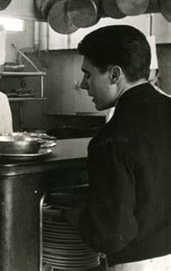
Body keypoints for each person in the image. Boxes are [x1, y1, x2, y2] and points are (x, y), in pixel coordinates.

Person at [65, 25, 171, 270]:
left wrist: (75, 215)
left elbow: (110, 235)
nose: (83, 84)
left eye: (88, 74)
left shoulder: (110, 139)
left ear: (114, 75)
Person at [106, 35, 169, 122]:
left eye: (148, 82)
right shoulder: (118, 109)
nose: (142, 90)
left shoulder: (167, 104)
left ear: (157, 74)